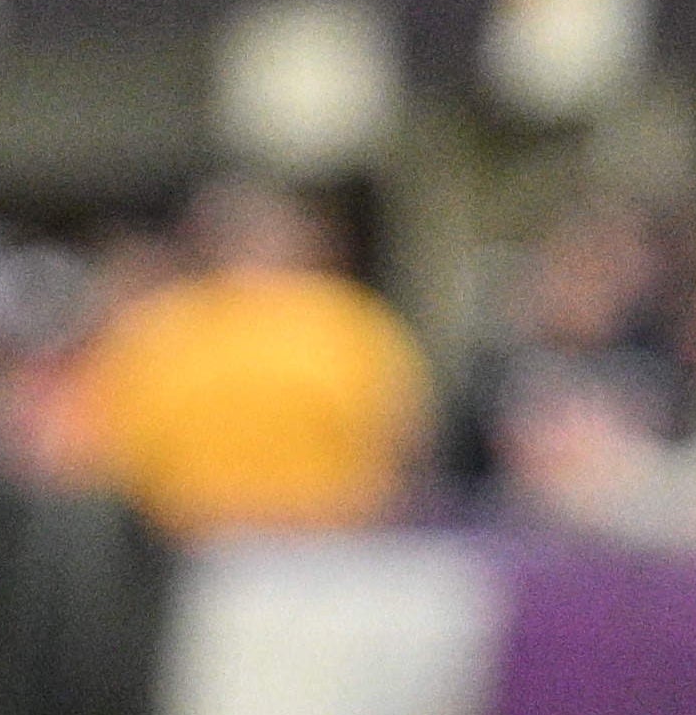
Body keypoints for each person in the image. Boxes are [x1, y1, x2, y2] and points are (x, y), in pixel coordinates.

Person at [50, 175, 429, 537]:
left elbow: (96, 457)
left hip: (187, 547)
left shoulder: (156, 329)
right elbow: (406, 443)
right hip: (327, 546)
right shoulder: (352, 323)